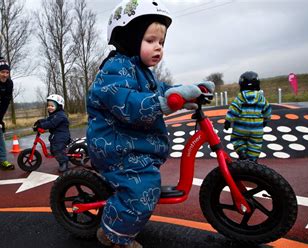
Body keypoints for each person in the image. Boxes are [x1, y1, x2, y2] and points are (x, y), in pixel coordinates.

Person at [86, 0, 215, 247]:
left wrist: (188, 93)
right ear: (130, 38)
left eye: (162, 42)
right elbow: (129, 104)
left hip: (134, 144)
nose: (158, 48)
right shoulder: (114, 69)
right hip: (116, 147)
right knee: (142, 189)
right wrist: (164, 102)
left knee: (145, 179)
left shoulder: (142, 70)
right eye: (150, 40)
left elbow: (162, 90)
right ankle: (114, 236)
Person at [224, 71, 272, 162]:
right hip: (256, 129)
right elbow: (267, 110)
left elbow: (233, 108)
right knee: (255, 144)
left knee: (236, 139)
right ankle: (252, 160)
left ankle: (242, 153)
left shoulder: (240, 97)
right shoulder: (261, 98)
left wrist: (228, 121)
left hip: (241, 128)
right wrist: (266, 119)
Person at [34, 94, 71, 172]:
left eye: (52, 106)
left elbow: (52, 123)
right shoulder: (54, 114)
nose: (49, 107)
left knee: (57, 149)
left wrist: (42, 126)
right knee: (53, 149)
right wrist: (40, 122)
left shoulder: (60, 115)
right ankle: (61, 157)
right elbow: (48, 120)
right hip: (56, 135)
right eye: (48, 105)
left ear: (59, 106)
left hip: (61, 135)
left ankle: (64, 163)